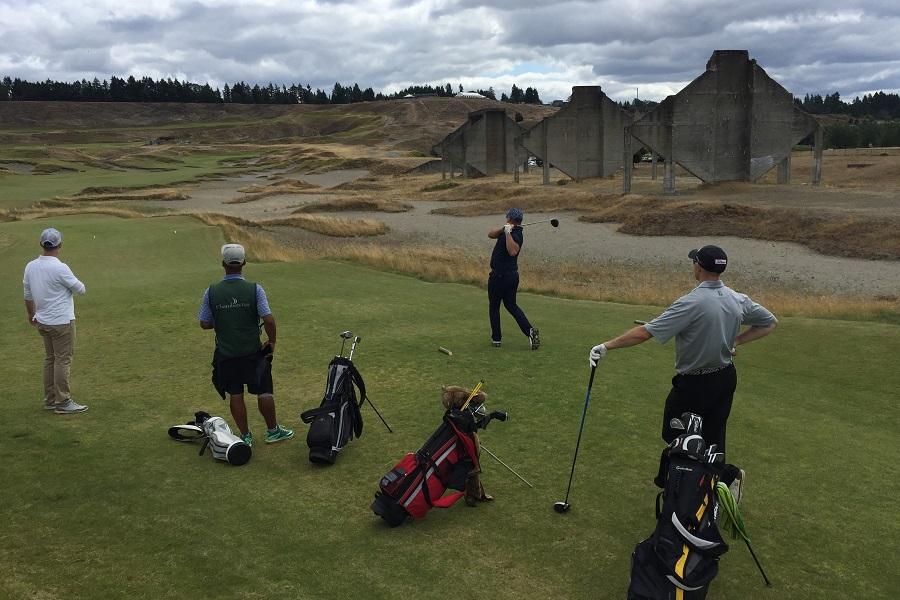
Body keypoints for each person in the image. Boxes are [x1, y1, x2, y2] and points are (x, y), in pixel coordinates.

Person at [588, 245, 777, 501]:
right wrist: (737, 342)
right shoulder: (736, 298)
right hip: (725, 378)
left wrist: (606, 346)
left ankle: (709, 480)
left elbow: (645, 332)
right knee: (712, 436)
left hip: (695, 383)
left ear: (698, 267)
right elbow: (769, 322)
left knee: (675, 433)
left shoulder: (691, 302)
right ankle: (717, 484)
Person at [197, 243, 293, 447]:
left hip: (226, 352)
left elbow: (204, 323)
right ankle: (273, 431)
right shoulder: (255, 289)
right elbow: (269, 320)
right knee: (263, 390)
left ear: (223, 263)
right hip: (253, 351)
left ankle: (245, 436)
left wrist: (223, 321)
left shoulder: (211, 291)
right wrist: (272, 342)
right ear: (244, 263)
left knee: (235, 392)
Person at [23, 227, 89, 414]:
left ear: (41, 244)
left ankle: (51, 399)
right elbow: (81, 289)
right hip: (61, 322)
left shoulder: (30, 266)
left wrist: (31, 314)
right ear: (59, 244)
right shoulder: (60, 267)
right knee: (62, 360)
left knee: (50, 359)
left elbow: (28, 295)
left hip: (42, 320)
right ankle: (63, 402)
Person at [487, 208, 539, 349]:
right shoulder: (506, 231)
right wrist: (503, 230)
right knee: (510, 305)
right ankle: (529, 331)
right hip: (510, 276)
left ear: (509, 218)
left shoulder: (516, 235)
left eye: (507, 218)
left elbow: (512, 251)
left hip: (500, 275)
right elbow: (490, 234)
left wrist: (508, 232)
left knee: (494, 306)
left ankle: (496, 338)